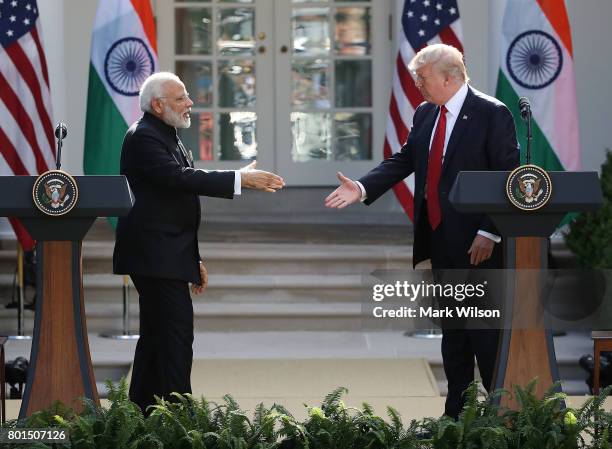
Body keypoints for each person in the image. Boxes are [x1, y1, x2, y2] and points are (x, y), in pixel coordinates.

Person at [324, 44, 519, 419]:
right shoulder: (426, 112)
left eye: (422, 77)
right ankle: (456, 416)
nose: (416, 84)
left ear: (449, 77)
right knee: (454, 333)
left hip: (480, 244)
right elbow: (405, 159)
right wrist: (362, 188)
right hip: (440, 238)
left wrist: (490, 232)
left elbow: (507, 177)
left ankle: (500, 417)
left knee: (485, 336)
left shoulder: (492, 113)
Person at [113, 72, 285, 413]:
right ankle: (180, 420)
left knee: (156, 339)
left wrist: (193, 261)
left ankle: (141, 414)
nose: (190, 103)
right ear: (158, 105)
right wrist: (240, 178)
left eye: (187, 95)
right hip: (153, 256)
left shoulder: (165, 133)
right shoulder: (144, 137)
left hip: (165, 254)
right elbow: (179, 179)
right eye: (180, 98)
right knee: (176, 339)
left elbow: (173, 201)